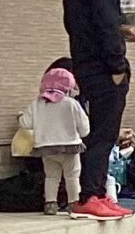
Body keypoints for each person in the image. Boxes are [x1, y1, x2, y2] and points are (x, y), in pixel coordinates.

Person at [61, 0, 135, 219]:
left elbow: (84, 25)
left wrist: (123, 29)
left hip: (85, 64)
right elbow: (106, 27)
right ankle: (90, 195)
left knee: (97, 133)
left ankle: (93, 192)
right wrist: (118, 68)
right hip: (105, 70)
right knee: (104, 134)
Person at [22, 61, 88, 215]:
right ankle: (73, 203)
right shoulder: (71, 104)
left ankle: (50, 204)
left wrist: (21, 116)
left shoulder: (36, 104)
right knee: (72, 176)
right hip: (70, 147)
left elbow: (25, 124)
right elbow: (85, 129)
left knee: (51, 177)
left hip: (46, 148)